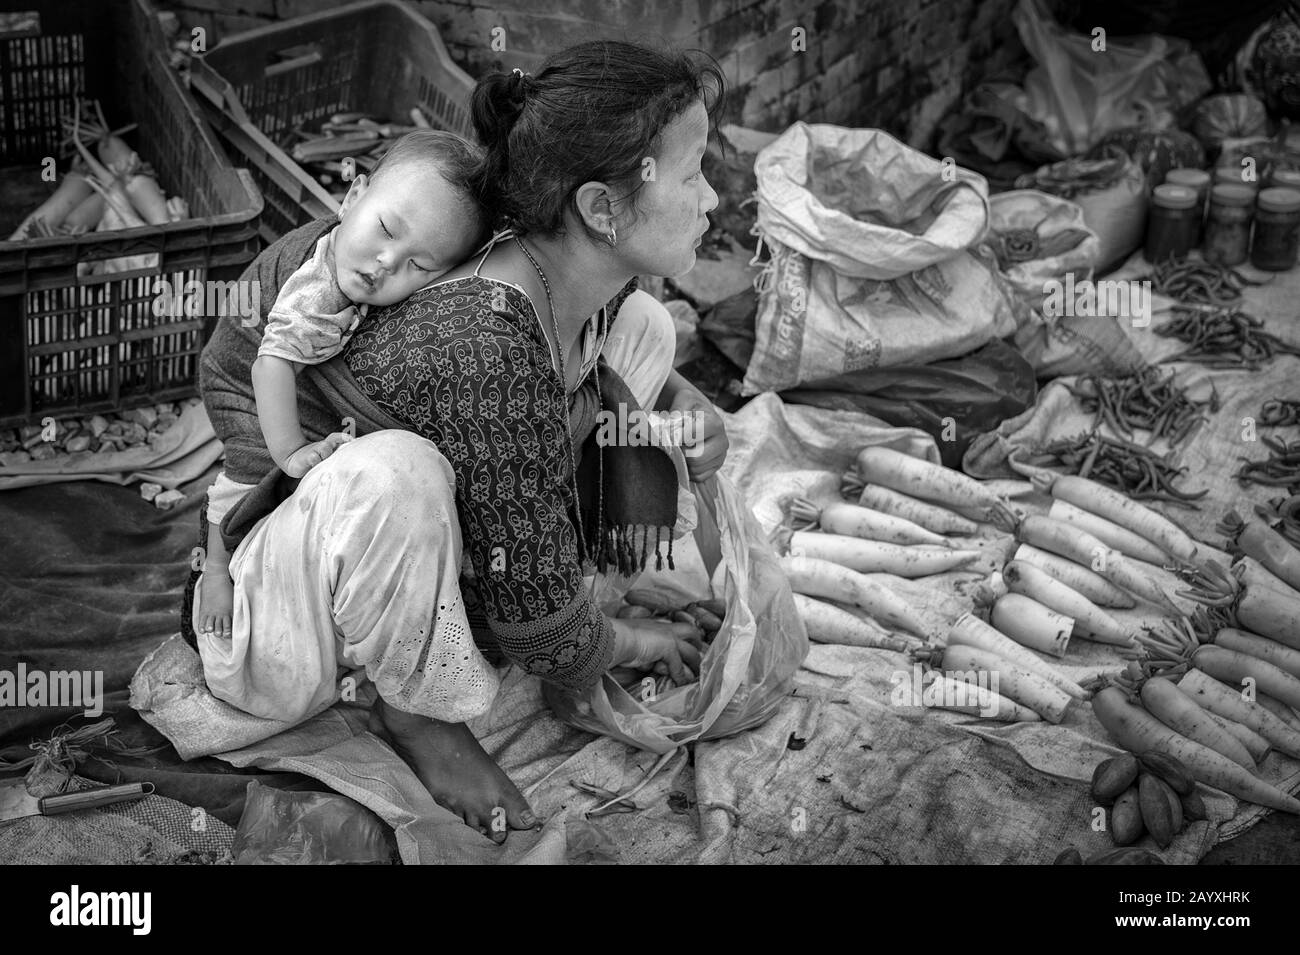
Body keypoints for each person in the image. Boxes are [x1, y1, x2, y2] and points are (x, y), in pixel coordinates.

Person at [191, 40, 729, 843]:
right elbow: (539, 627)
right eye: (692, 176)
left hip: (384, 544)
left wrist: (684, 404)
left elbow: (604, 359)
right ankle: (417, 713)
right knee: (398, 473)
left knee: (645, 325)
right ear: (602, 210)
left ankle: (547, 577)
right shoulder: (486, 344)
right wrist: (626, 641)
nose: (714, 199)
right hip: (293, 625)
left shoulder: (546, 251)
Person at [197, 131, 492, 642]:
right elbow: (270, 368)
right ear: (353, 196)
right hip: (244, 375)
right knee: (249, 470)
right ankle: (215, 570)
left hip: (289, 367)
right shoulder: (315, 291)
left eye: (418, 266)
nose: (386, 262)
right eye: (385, 230)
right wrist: (289, 452)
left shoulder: (359, 257)